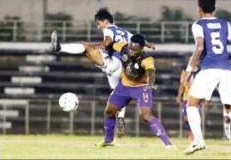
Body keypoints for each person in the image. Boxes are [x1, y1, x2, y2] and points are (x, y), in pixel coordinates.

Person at [50, 8, 155, 138]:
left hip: (112, 62)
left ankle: (60, 47)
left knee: (85, 47)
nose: (98, 27)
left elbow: (108, 40)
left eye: (99, 24)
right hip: (122, 68)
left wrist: (101, 45)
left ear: (106, 21)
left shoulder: (109, 29)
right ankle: (120, 119)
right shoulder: (126, 32)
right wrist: (150, 45)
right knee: (118, 94)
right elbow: (141, 41)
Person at [81, 34, 176, 149]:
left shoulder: (147, 59)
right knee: (109, 111)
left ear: (141, 49)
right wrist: (95, 46)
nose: (131, 52)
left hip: (142, 88)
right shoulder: (123, 47)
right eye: (130, 48)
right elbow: (108, 45)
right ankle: (108, 140)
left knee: (146, 116)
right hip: (125, 86)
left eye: (134, 50)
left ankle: (169, 144)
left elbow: (151, 73)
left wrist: (150, 84)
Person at [183, 0, 231, 155]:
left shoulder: (198, 25)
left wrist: (188, 69)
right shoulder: (225, 24)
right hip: (226, 69)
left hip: (209, 68)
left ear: (199, 9)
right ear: (214, 8)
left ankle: (198, 141)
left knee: (191, 104)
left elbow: (200, 47)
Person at [176, 64, 205, 141]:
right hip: (186, 97)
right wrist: (179, 96)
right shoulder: (185, 72)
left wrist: (205, 98)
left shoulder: (201, 72)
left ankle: (195, 134)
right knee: (186, 118)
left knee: (194, 117)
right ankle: (192, 131)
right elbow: (181, 85)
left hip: (196, 97)